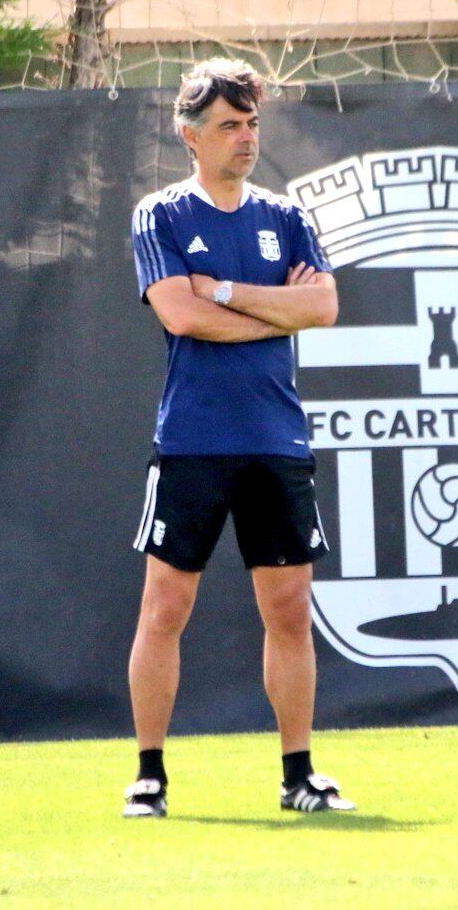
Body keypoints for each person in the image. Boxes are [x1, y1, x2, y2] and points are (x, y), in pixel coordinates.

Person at [124, 58, 356, 818]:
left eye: (252, 122)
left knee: (289, 607)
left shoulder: (286, 217)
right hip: (193, 440)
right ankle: (150, 775)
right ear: (192, 137)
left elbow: (321, 308)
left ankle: (299, 775)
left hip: (277, 439)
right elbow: (179, 316)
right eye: (229, 124)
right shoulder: (159, 216)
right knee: (166, 605)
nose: (245, 137)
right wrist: (271, 308)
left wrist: (223, 291)